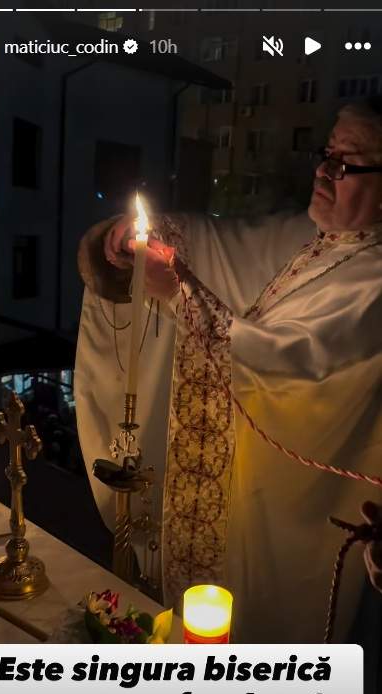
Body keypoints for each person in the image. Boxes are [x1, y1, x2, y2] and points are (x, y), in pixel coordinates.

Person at [75, 98, 382, 645]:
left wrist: (180, 297)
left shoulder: (375, 279)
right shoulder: (313, 236)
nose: (323, 171)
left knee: (254, 633)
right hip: (233, 489)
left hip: (287, 509)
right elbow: (226, 242)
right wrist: (136, 236)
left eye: (345, 162)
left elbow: (291, 361)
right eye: (325, 155)